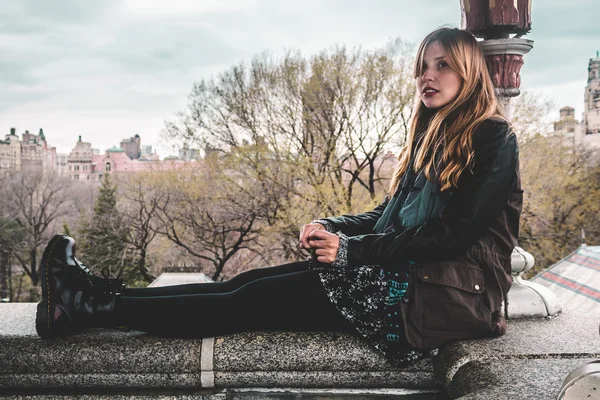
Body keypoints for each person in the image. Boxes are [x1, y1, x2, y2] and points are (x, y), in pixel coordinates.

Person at [35, 27, 522, 365]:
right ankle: (95, 298)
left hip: (443, 299)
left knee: (250, 301)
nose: (427, 76)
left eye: (442, 66)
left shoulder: (492, 136)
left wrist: (352, 251)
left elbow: (454, 235)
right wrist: (336, 227)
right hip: (403, 279)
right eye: (422, 67)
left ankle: (86, 306)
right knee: (248, 283)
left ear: (469, 73)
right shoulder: (432, 134)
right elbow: (388, 217)